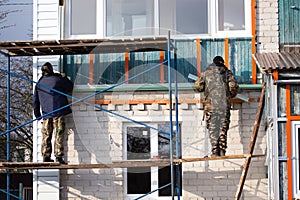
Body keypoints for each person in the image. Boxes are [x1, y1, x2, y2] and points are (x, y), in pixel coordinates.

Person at [194, 56, 239, 157]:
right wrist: (229, 95)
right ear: (222, 62)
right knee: (223, 127)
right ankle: (222, 150)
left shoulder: (206, 73)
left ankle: (215, 150)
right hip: (224, 105)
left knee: (213, 127)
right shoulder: (228, 73)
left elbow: (198, 87)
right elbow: (233, 87)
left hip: (210, 106)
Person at [33, 62, 73, 164]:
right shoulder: (57, 79)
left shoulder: (39, 83)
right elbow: (70, 87)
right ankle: (58, 156)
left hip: (46, 113)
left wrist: (37, 115)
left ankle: (46, 156)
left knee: (46, 135)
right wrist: (64, 77)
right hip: (58, 111)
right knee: (58, 134)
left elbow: (35, 101)